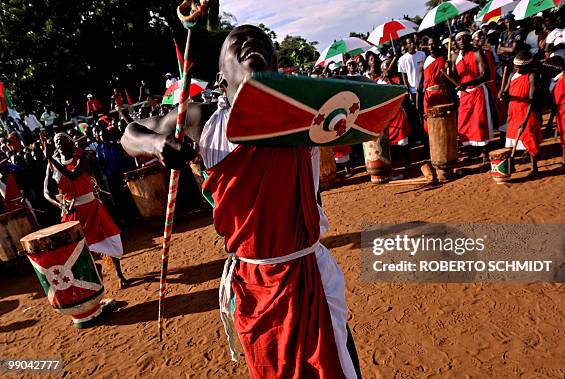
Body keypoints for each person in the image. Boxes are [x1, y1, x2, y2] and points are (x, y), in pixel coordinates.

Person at [121, 25, 361, 378]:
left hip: (307, 278)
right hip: (250, 286)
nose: (252, 42)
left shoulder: (306, 110)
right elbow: (130, 134)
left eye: (263, 41)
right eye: (239, 42)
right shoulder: (201, 121)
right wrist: (158, 146)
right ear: (221, 78)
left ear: (277, 69)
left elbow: (363, 111)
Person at [43, 133, 128, 288]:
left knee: (110, 238)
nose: (59, 144)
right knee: (77, 248)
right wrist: (60, 205)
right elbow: (46, 192)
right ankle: (96, 269)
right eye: (56, 142)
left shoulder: (82, 158)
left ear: (71, 143)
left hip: (91, 207)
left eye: (62, 141)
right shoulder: (51, 165)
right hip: (71, 212)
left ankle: (119, 273)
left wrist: (51, 159)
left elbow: (73, 176)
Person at [453, 31, 495, 161]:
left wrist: (468, 84)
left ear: (469, 39)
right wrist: (449, 68)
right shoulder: (456, 57)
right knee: (464, 123)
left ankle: (485, 152)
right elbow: (456, 77)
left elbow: (485, 74)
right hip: (465, 95)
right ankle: (472, 150)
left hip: (477, 92)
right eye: (459, 39)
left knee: (480, 121)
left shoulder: (477, 52)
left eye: (464, 38)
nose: (462, 41)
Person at [500, 51, 542, 177]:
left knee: (529, 138)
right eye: (515, 66)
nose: (517, 68)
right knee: (511, 138)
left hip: (526, 111)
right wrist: (502, 93)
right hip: (513, 110)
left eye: (519, 67)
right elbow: (506, 91)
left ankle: (535, 168)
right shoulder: (512, 74)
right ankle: (511, 164)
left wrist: (525, 121)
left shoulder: (532, 75)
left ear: (527, 66)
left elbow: (532, 100)